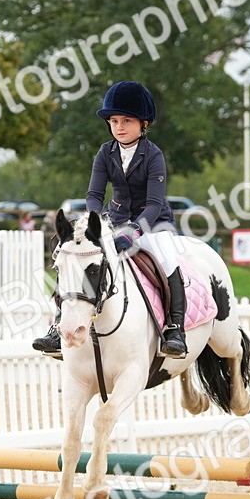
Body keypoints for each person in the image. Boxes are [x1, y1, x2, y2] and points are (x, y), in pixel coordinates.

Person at [32, 80, 188, 358]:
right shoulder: (105, 153)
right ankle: (58, 325)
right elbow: (94, 194)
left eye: (127, 120)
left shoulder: (153, 155)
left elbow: (153, 204)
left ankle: (175, 329)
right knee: (72, 257)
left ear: (143, 124)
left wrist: (135, 231)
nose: (119, 126)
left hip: (152, 221)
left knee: (168, 259)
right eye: (114, 120)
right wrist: (94, 223)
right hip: (113, 220)